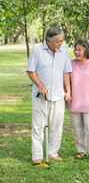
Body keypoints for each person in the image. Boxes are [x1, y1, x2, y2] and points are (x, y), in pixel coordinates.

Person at [26, 26, 72, 164]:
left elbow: (66, 72)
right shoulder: (37, 52)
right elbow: (30, 71)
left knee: (56, 126)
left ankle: (53, 152)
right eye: (57, 41)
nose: (60, 44)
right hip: (41, 96)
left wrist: (68, 90)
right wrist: (41, 86)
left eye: (61, 41)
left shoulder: (64, 53)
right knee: (38, 126)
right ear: (48, 41)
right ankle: (37, 156)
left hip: (58, 96)